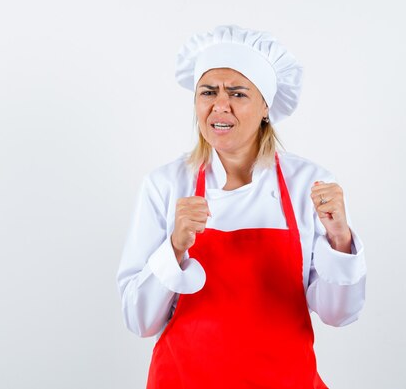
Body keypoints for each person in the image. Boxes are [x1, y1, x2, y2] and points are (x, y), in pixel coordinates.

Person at [117, 25, 366, 389]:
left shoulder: (308, 186)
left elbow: (338, 314)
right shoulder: (166, 185)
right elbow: (139, 320)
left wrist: (340, 239)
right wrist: (174, 247)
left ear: (266, 105)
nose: (220, 105)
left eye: (237, 92)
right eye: (208, 92)